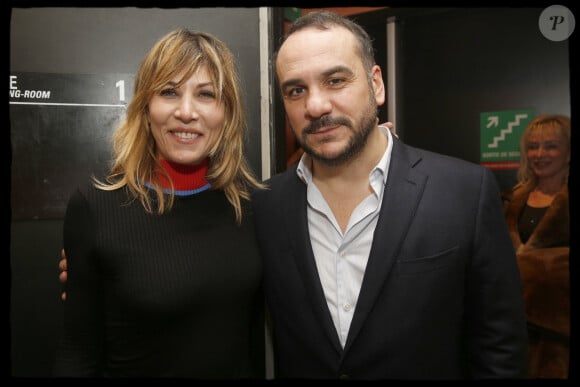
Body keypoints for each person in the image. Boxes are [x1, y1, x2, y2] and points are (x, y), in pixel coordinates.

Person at [250, 11, 528, 379]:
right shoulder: (265, 205)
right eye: (296, 90)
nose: (315, 106)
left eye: (335, 80)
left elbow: (500, 350)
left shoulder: (464, 192)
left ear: (376, 84)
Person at [52, 28, 266, 378]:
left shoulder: (251, 203)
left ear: (226, 112)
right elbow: (77, 352)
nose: (186, 111)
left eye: (206, 94)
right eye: (169, 92)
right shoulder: (96, 206)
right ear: (145, 107)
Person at [502, 114, 570, 379]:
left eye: (551, 146)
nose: (539, 154)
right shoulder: (511, 200)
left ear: (568, 151)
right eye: (533, 146)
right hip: (516, 331)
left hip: (561, 335)